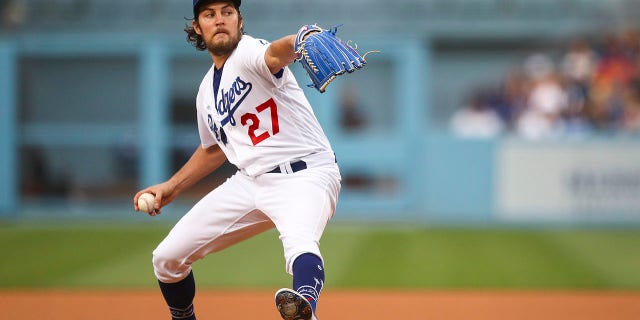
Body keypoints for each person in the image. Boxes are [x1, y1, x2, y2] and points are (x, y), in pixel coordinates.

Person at [133, 1, 341, 320]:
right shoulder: (206, 93)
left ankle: (304, 309)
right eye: (209, 14)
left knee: (300, 243)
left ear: (239, 21)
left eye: (227, 12)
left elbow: (275, 52)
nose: (220, 20)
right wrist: (172, 186)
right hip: (250, 182)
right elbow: (213, 150)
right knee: (166, 258)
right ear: (197, 28)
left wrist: (299, 40)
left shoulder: (247, 52)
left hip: (305, 173)